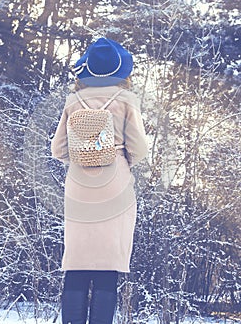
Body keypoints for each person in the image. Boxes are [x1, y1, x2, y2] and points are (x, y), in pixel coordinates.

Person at [51, 37, 148, 324]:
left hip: (79, 184)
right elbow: (140, 149)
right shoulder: (126, 101)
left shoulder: (73, 102)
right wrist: (120, 160)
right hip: (115, 182)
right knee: (108, 265)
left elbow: (57, 150)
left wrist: (83, 158)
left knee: (77, 264)